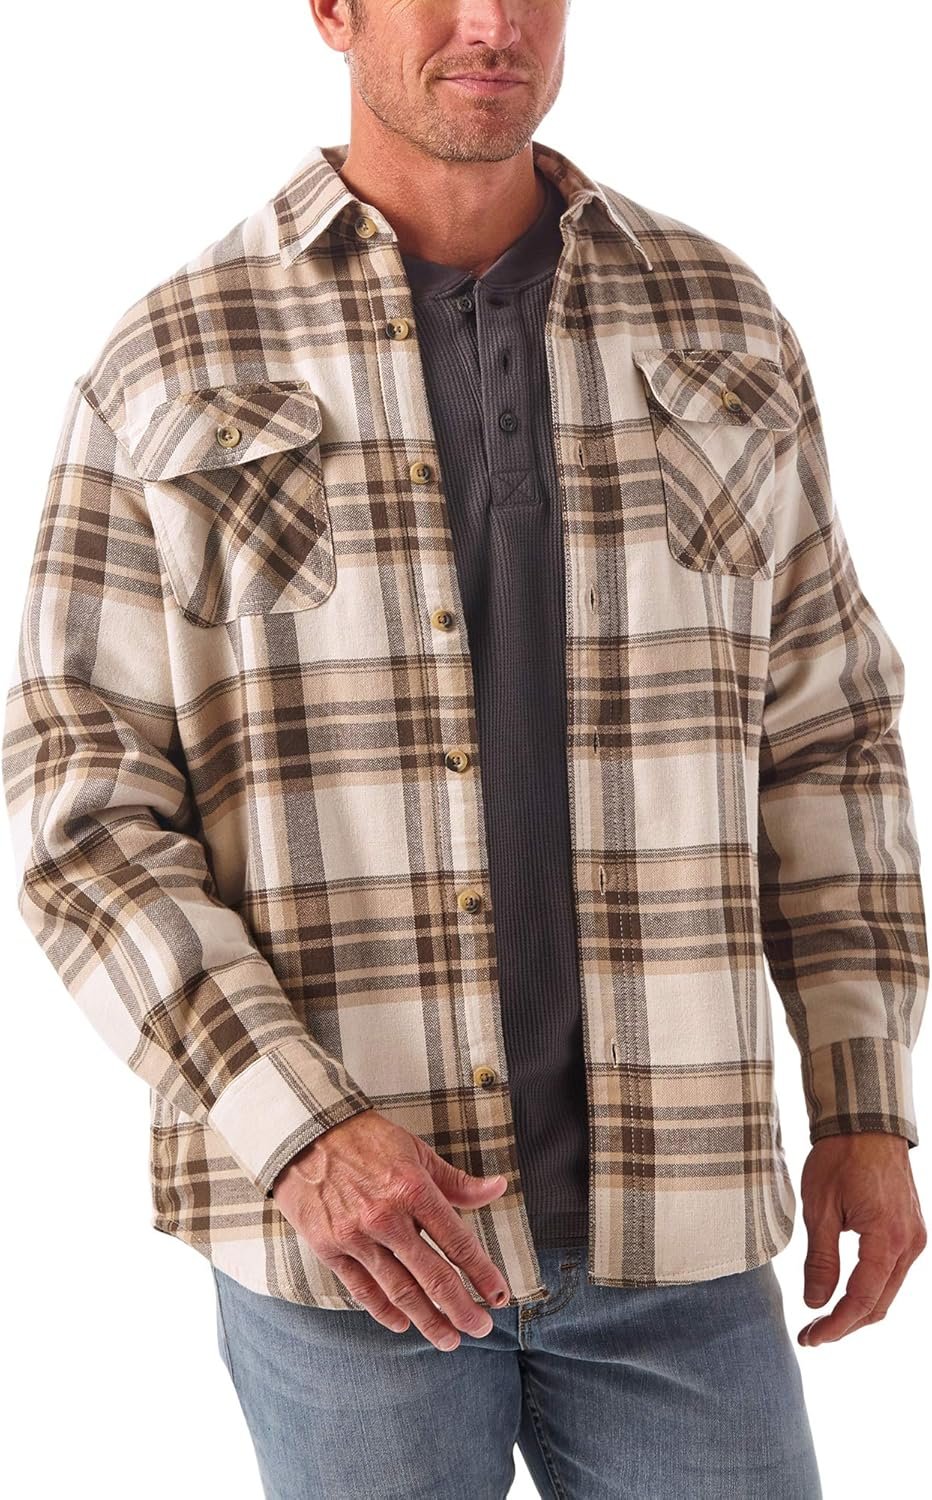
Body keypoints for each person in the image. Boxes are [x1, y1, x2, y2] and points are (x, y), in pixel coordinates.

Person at [3, 1, 926, 1495]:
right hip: (353, 1255)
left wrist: (864, 1100)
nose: (491, 22)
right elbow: (81, 813)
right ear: (332, 10)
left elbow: (829, 739)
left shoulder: (721, 318)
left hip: (678, 1220)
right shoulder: (171, 355)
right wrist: (302, 1132)